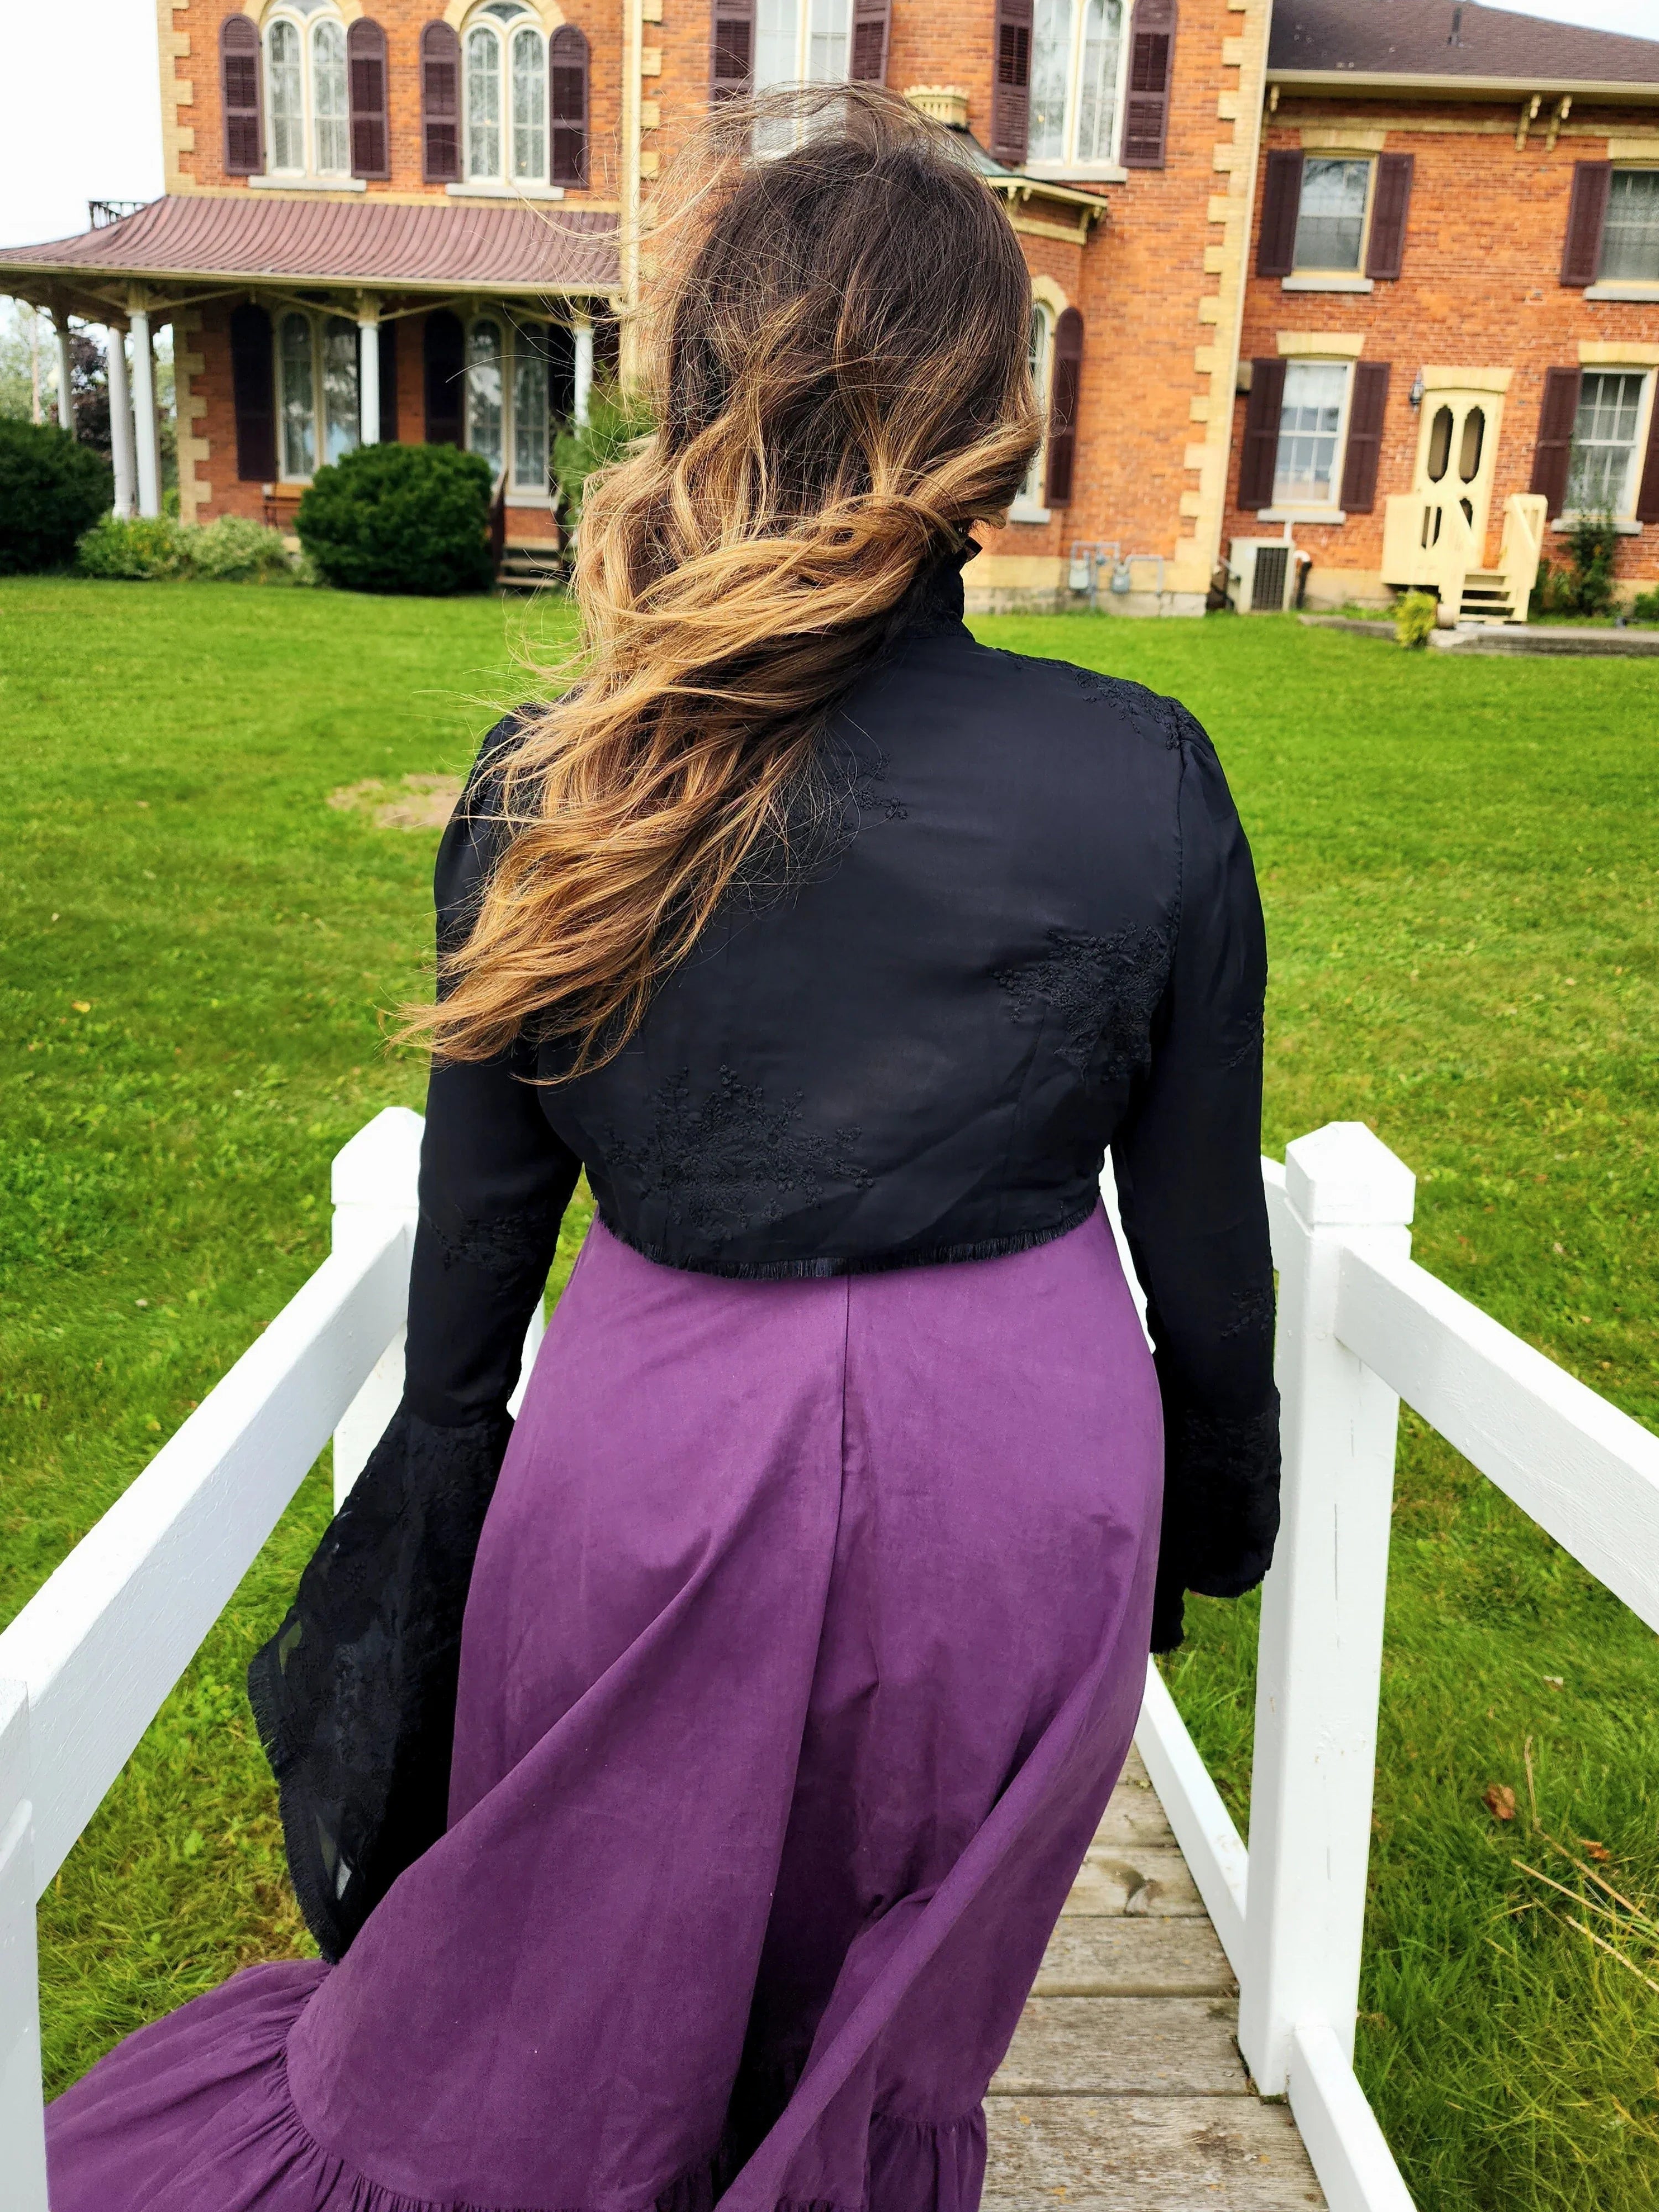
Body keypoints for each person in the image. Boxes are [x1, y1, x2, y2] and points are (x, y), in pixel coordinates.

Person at [46, 86, 1279, 2212]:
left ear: (698, 380)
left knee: (575, 2023)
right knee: (893, 2028)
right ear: (996, 409)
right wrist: (1224, 1518)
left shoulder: (563, 777)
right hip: (1030, 1486)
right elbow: (1203, 1249)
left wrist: (439, 1516)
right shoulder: (1141, 773)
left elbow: (477, 1249)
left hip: (642, 1462)